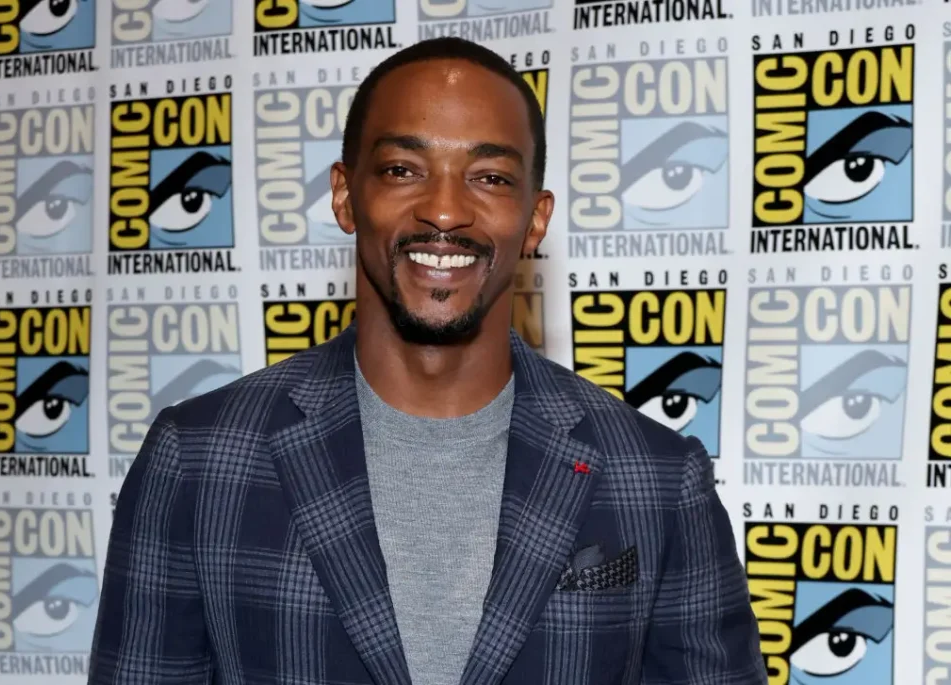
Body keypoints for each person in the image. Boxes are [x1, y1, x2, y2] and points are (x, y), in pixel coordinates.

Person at [88, 37, 768, 685]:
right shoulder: (198, 458)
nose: (444, 209)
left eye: (490, 176)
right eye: (401, 170)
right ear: (345, 194)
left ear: (534, 218)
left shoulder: (654, 476)